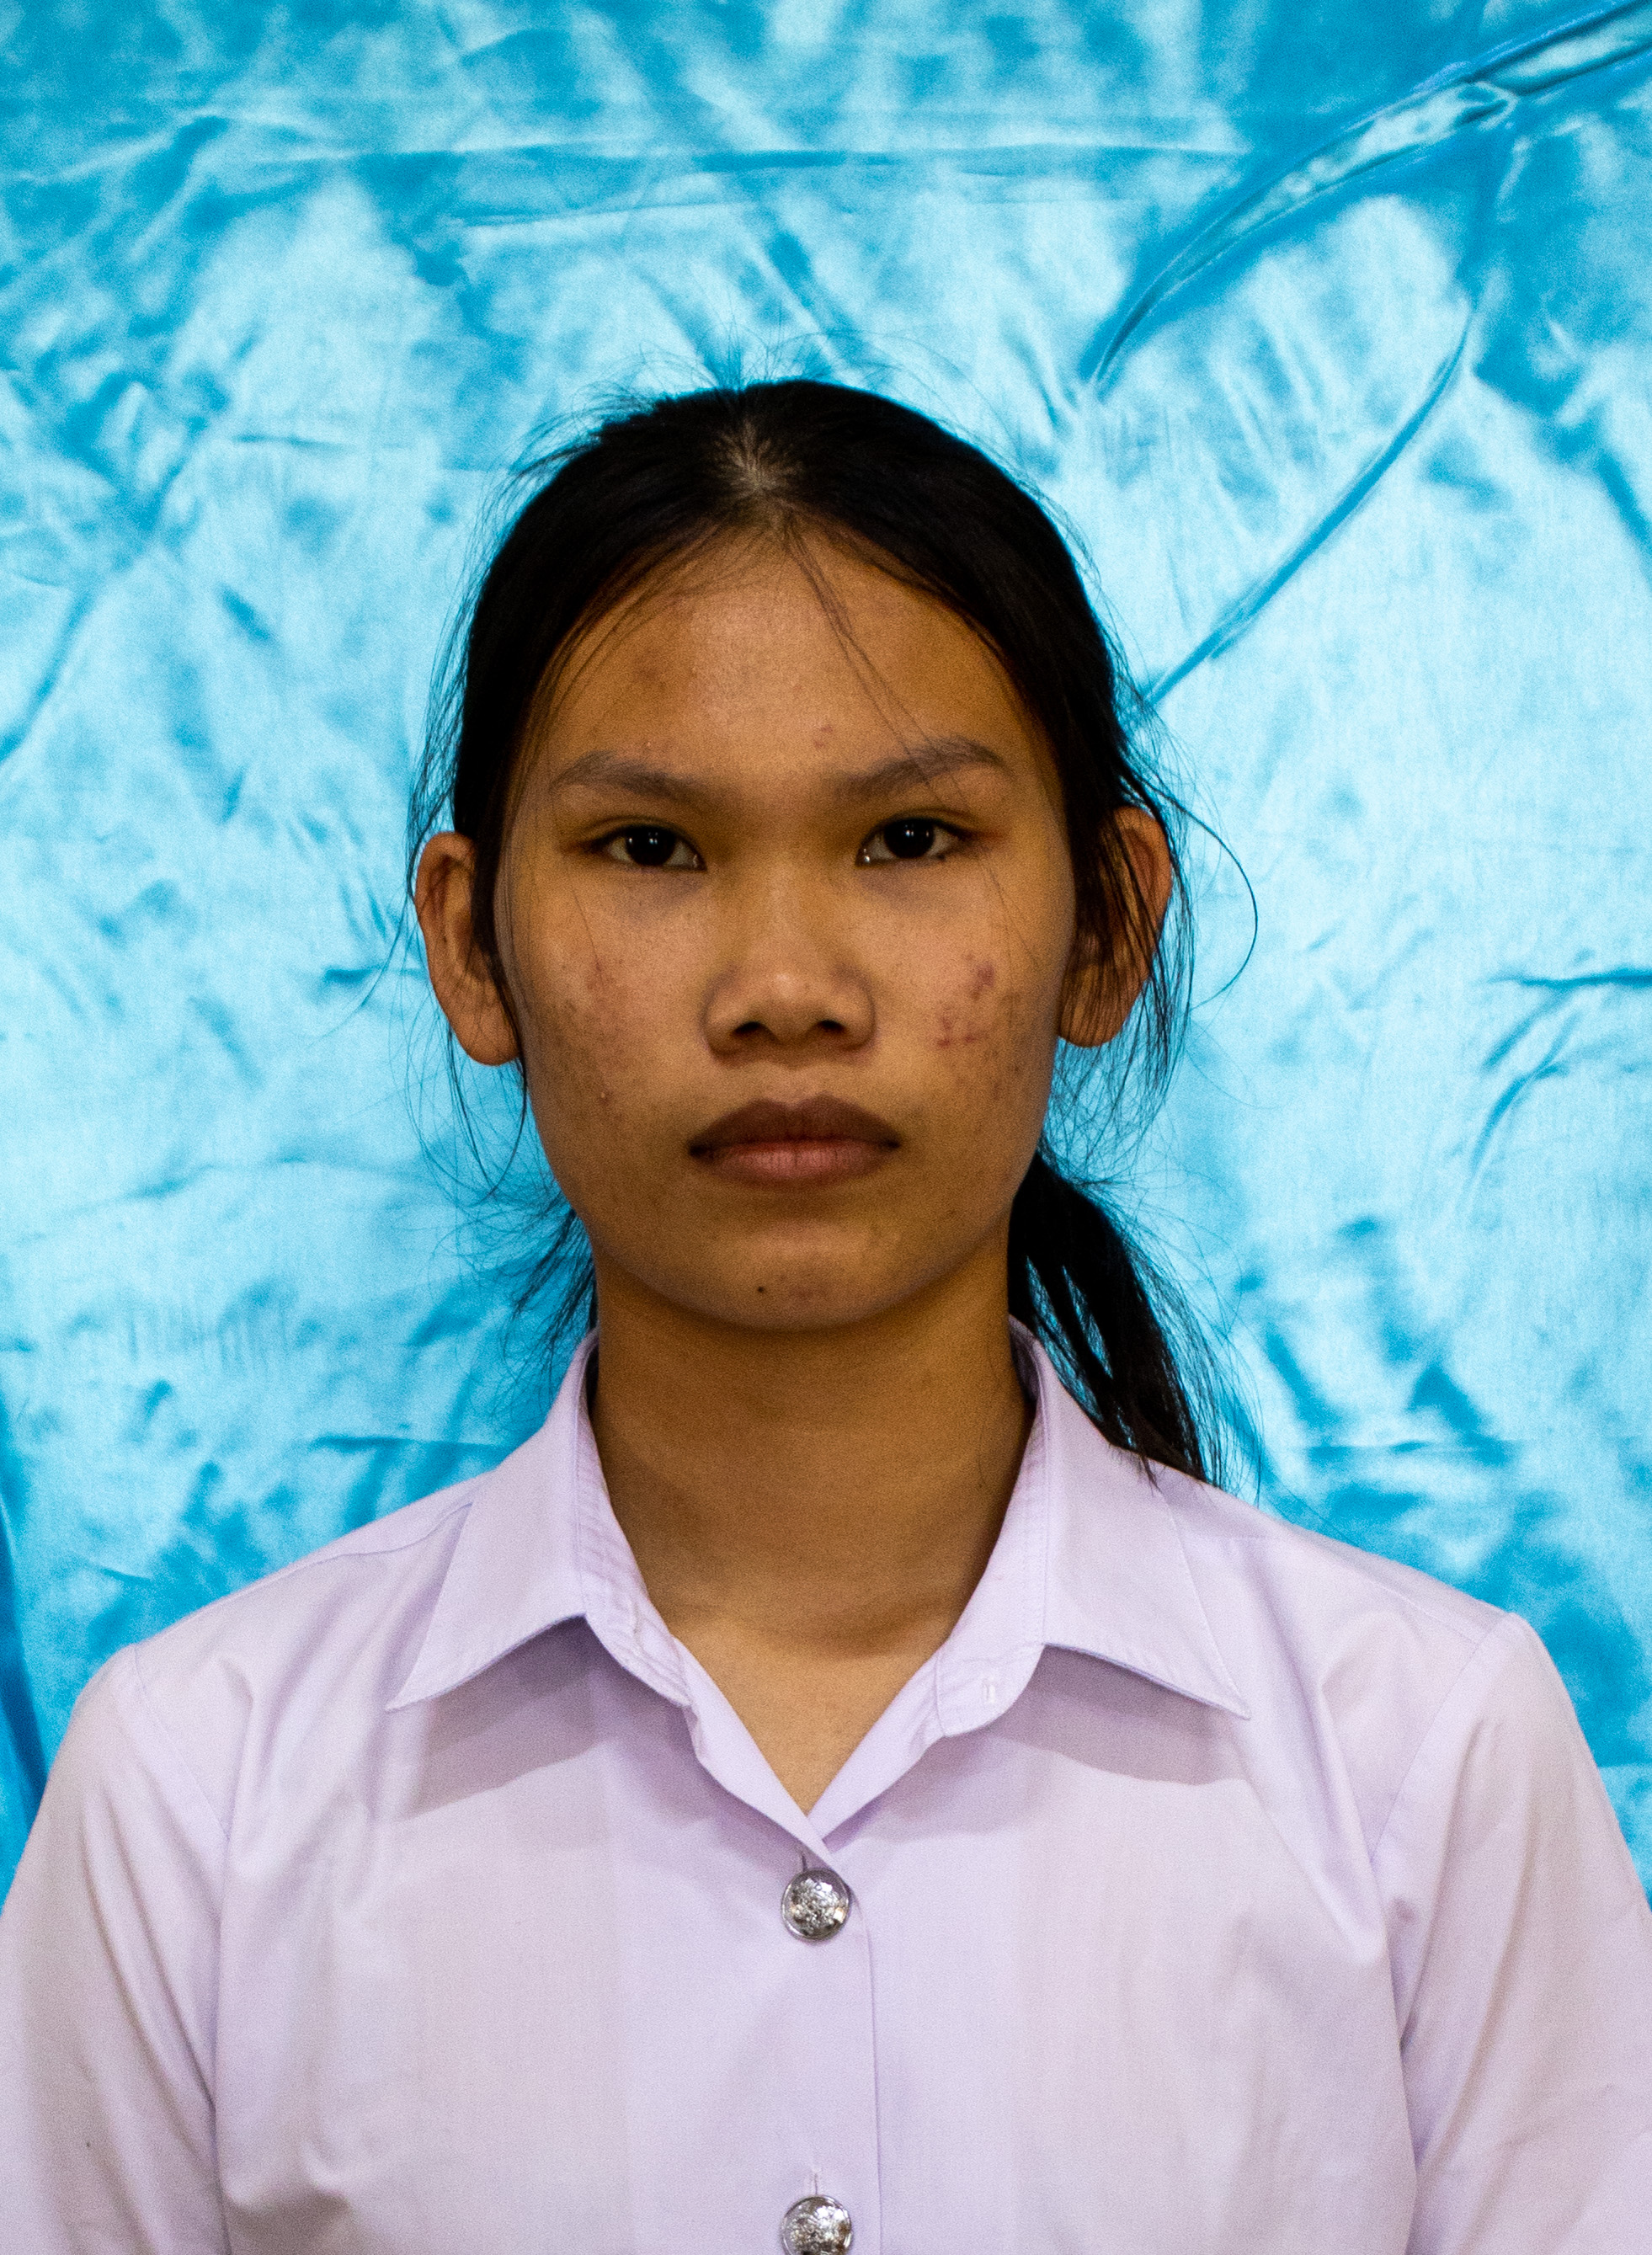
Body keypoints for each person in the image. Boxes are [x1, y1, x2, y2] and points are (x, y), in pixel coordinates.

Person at [1, 381, 1649, 2255]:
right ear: (470, 944)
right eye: (650, 848)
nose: (785, 987)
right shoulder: (200, 1794)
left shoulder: (1424, 1759)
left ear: (1107, 923)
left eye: (911, 838)